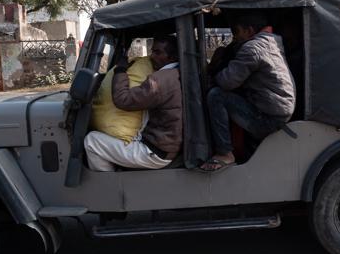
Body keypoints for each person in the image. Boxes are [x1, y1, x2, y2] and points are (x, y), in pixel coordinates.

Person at [199, 11, 296, 172]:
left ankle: (225, 153)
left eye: (237, 32)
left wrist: (213, 70)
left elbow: (227, 81)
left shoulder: (253, 48)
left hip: (268, 116)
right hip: (278, 109)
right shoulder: (271, 41)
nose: (235, 37)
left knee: (216, 96)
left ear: (249, 30)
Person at [84, 35, 182, 171]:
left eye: (158, 52)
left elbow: (123, 99)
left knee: (91, 141)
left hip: (155, 151)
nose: (152, 56)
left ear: (172, 57)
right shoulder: (177, 73)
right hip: (165, 144)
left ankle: (108, 189)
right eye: (153, 51)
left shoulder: (161, 80)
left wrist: (120, 70)